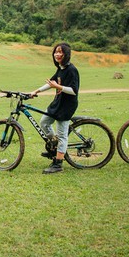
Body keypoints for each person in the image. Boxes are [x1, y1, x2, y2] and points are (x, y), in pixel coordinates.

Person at [29, 42, 80, 174]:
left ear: (66, 54)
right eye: (56, 52)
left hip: (67, 106)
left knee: (62, 135)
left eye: (60, 52)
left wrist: (58, 87)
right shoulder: (61, 68)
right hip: (58, 102)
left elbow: (74, 90)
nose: (57, 54)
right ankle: (54, 144)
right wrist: (36, 91)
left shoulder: (71, 70)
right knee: (44, 122)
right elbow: (51, 83)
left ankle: (58, 164)